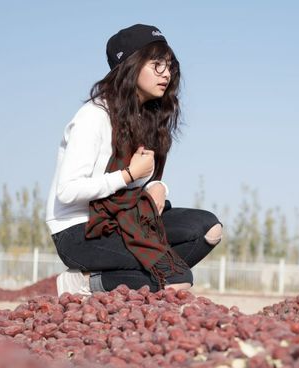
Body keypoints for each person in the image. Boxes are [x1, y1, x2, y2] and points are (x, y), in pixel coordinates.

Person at [45, 24, 222, 295]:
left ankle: (135, 276)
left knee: (208, 229)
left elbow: (136, 185)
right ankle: (83, 283)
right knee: (176, 279)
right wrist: (127, 175)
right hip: (79, 230)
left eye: (170, 65)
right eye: (156, 65)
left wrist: (156, 186)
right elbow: (68, 191)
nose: (167, 73)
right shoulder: (94, 116)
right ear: (130, 66)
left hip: (126, 218)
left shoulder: (146, 118)